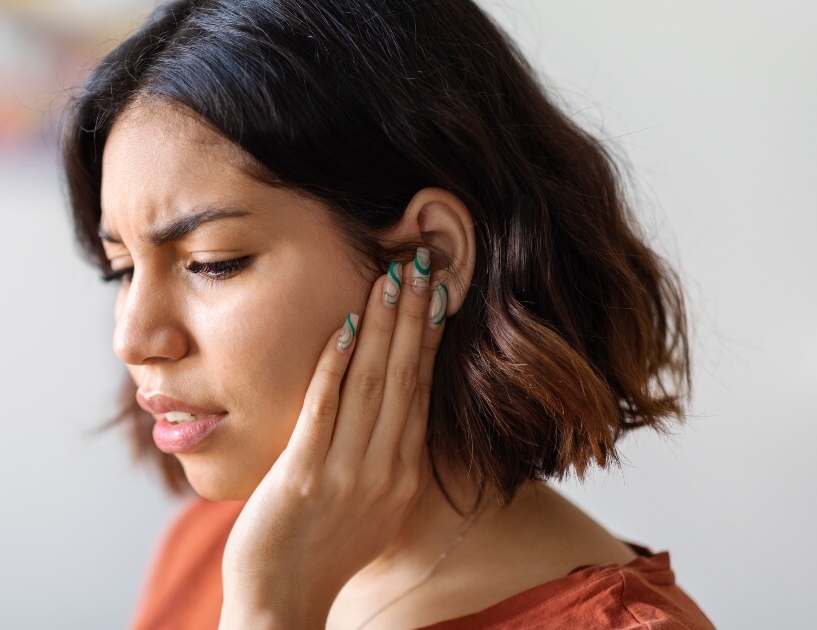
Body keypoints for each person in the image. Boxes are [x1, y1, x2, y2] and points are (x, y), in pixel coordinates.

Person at [60, 0, 715, 628]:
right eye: (121, 269)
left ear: (431, 256)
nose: (131, 339)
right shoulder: (231, 547)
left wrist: (271, 612)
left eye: (212, 262)